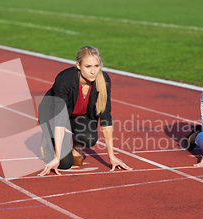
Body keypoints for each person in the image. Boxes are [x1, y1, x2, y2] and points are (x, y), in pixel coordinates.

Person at [37, 46, 132, 175]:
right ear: (78, 65)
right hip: (52, 115)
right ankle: (48, 143)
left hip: (76, 115)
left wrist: (112, 156)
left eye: (96, 66)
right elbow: (59, 118)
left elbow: (106, 117)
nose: (93, 71)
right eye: (88, 66)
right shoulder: (64, 79)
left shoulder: (103, 80)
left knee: (90, 138)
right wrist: (57, 157)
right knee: (65, 164)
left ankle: (75, 142)